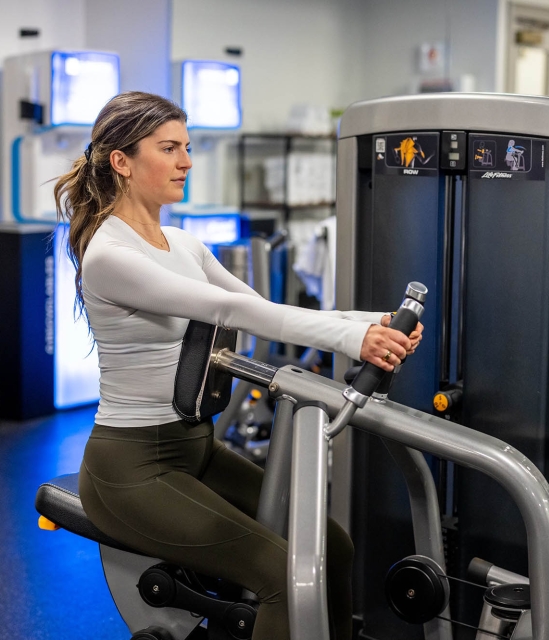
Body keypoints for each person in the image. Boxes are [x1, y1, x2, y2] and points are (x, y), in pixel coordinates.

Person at [54, 91, 423, 640]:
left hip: (194, 448)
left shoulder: (182, 242)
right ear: (121, 162)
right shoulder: (109, 256)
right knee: (281, 574)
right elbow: (230, 309)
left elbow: (266, 312)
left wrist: (374, 320)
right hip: (131, 467)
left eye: (188, 147)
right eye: (170, 148)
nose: (187, 161)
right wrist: (353, 337)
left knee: (332, 546)